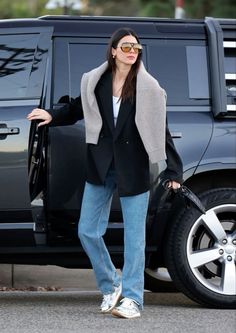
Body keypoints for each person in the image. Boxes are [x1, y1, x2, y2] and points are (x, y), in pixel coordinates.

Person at [27, 28, 183, 319]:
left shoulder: (148, 88)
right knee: (87, 230)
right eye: (126, 46)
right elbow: (77, 107)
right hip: (101, 165)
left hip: (133, 167)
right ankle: (111, 284)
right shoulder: (96, 81)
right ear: (113, 51)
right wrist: (52, 115)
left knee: (134, 238)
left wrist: (174, 169)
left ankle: (134, 299)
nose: (132, 51)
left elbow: (160, 128)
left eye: (136, 47)